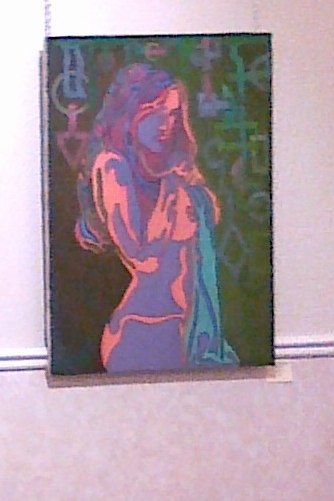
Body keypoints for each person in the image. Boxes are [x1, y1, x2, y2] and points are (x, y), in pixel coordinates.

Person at [74, 61, 237, 372]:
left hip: (189, 330)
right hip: (144, 330)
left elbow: (211, 216)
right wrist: (173, 187)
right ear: (131, 112)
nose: (166, 123)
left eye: (173, 113)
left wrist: (186, 182)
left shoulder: (172, 168)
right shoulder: (113, 166)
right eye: (156, 112)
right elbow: (142, 255)